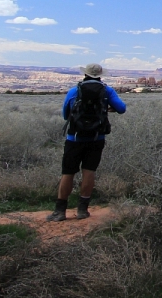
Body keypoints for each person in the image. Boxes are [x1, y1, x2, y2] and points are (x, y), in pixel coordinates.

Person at [47, 63, 127, 222]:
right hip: (97, 138)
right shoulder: (107, 91)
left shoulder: (74, 90)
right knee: (89, 171)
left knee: (68, 173)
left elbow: (65, 115)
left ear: (85, 74)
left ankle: (60, 211)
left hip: (74, 139)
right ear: (100, 75)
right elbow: (122, 108)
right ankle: (83, 210)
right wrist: (106, 108)